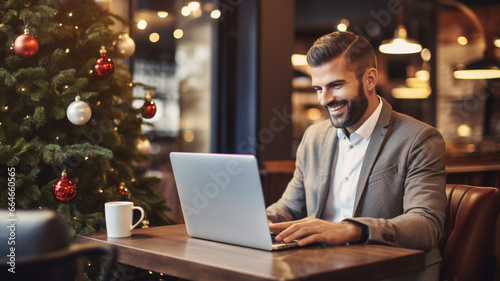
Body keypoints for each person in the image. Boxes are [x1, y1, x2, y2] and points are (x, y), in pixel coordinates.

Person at [266, 31, 446, 280]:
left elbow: (427, 225)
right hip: (319, 269)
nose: (325, 99)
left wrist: (351, 230)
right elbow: (290, 206)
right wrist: (259, 221)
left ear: (370, 79)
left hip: (389, 273)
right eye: (319, 88)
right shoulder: (314, 137)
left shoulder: (420, 139)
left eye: (336, 85)